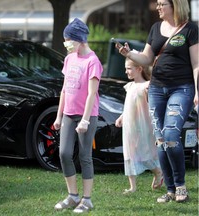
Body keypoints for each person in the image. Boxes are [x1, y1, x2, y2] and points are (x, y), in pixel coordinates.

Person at [116, 0, 198, 203]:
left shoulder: (190, 29)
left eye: (162, 4)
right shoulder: (155, 28)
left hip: (182, 88)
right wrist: (129, 54)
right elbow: (146, 58)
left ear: (175, 5)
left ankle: (180, 187)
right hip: (156, 89)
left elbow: (197, 64)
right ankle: (170, 190)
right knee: (161, 139)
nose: (158, 7)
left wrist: (197, 90)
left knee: (171, 134)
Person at [53, 18, 103, 213]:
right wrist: (58, 116)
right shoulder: (69, 59)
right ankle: (73, 196)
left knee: (85, 156)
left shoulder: (93, 61)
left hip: (86, 117)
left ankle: (87, 199)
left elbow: (92, 93)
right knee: (64, 153)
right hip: (68, 114)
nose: (66, 44)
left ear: (79, 39)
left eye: (68, 40)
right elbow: (65, 89)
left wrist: (84, 119)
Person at [115, 57, 163, 195]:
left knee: (146, 151)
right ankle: (132, 187)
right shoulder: (130, 86)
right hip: (130, 127)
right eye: (126, 68)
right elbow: (128, 106)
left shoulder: (147, 86)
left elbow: (153, 104)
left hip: (143, 125)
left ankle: (158, 172)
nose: (126, 72)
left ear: (139, 69)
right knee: (129, 153)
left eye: (129, 68)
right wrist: (121, 117)